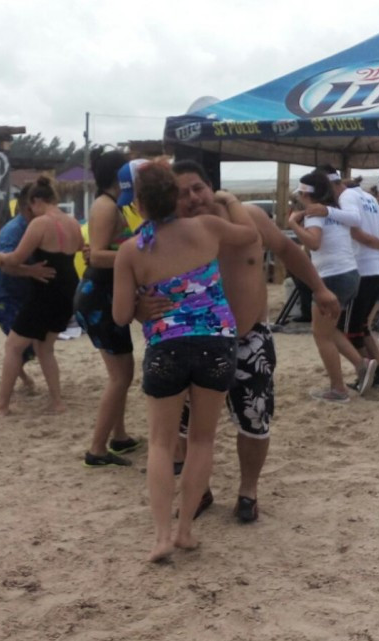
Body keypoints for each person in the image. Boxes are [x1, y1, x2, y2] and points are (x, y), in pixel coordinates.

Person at [166, 160, 340, 524]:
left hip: (249, 339)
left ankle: (248, 491)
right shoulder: (171, 233)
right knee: (185, 424)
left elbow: (289, 253)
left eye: (197, 187)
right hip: (193, 340)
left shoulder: (249, 218)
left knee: (254, 421)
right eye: (182, 192)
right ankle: (200, 490)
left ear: (211, 186)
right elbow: (143, 273)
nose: (193, 197)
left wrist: (320, 289)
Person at [112, 160, 258, 562]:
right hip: (215, 343)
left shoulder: (130, 251)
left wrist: (143, 302)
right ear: (175, 197)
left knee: (161, 443)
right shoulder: (207, 229)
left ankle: (160, 536)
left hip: (166, 345)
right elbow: (249, 234)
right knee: (202, 439)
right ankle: (186, 530)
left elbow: (121, 316)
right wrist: (228, 199)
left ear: (139, 204)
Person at [0, 177, 82, 416]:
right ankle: (57, 402)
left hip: (46, 293)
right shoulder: (73, 222)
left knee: (13, 346)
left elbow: (15, 259)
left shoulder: (40, 223)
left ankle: (2, 404)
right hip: (68, 291)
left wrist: (1, 257)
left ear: (35, 201)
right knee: (46, 348)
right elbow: (79, 247)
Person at [74, 150, 143, 467]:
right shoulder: (104, 206)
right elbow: (98, 255)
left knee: (120, 373)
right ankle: (97, 448)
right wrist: (142, 258)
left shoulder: (114, 204)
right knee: (121, 375)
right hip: (99, 294)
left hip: (104, 294)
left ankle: (119, 437)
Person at [288, 171, 379, 402]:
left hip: (332, 277)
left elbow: (314, 243)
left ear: (305, 194)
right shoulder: (336, 212)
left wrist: (293, 225)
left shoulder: (314, 215)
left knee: (321, 335)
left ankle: (338, 389)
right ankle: (362, 364)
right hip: (350, 274)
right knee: (329, 330)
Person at [315, 179, 379, 388]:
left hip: (365, 270)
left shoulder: (347, 199)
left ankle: (370, 370)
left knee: (351, 329)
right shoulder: (368, 198)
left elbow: (357, 231)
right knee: (361, 326)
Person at [0, 183, 56, 394]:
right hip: (2, 294)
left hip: (25, 294)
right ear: (28, 207)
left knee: (31, 344)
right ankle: (20, 380)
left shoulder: (42, 226)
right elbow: (4, 265)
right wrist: (31, 271)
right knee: (21, 343)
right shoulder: (12, 231)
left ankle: (20, 377)